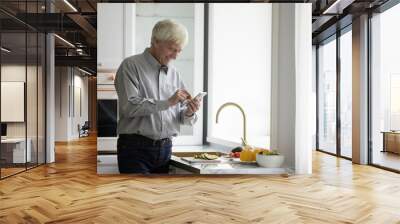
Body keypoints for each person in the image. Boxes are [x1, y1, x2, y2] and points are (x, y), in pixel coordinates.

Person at [114, 19, 200, 174]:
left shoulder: (174, 73)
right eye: (172, 49)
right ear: (155, 41)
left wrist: (189, 112)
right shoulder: (130, 66)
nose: (175, 56)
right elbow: (129, 107)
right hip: (135, 149)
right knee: (137, 197)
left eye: (179, 51)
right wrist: (168, 102)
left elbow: (180, 116)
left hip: (166, 149)